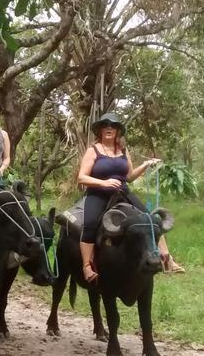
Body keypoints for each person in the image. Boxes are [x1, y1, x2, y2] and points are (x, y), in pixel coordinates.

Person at [76, 112, 182, 283]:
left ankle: (167, 258)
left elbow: (130, 176)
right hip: (98, 193)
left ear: (118, 131)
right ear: (100, 130)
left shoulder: (123, 151)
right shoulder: (93, 150)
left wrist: (146, 165)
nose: (109, 128)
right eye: (105, 125)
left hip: (122, 192)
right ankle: (87, 267)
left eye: (113, 126)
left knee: (150, 219)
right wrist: (104, 183)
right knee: (89, 224)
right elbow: (81, 177)